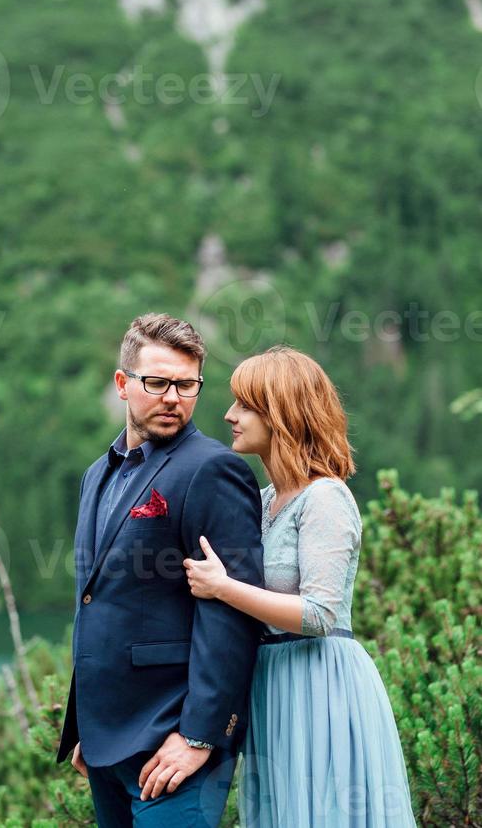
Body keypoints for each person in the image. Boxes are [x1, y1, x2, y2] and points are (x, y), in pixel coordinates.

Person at [183, 345, 417, 827]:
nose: (229, 415)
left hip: (319, 685)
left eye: (245, 405)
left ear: (283, 413)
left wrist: (223, 587)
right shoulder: (265, 499)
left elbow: (319, 614)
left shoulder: (326, 497)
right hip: (271, 685)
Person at [56, 313, 265, 827]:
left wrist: (200, 735)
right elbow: (99, 600)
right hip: (106, 742)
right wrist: (90, 723)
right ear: (123, 384)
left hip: (174, 743)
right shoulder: (96, 474)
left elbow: (233, 613)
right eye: (158, 382)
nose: (174, 397)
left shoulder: (212, 470)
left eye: (187, 384)